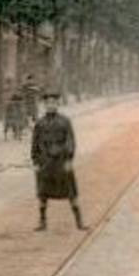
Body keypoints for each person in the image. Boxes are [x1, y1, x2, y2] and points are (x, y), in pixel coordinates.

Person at [31, 92, 86, 231]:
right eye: (48, 103)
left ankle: (79, 222)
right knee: (42, 194)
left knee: (71, 193)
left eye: (53, 103)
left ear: (57, 105)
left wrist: (69, 158)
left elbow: (71, 141)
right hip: (45, 163)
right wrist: (36, 161)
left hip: (61, 162)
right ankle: (42, 222)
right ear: (44, 105)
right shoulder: (40, 124)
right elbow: (34, 144)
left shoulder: (65, 121)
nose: (51, 106)